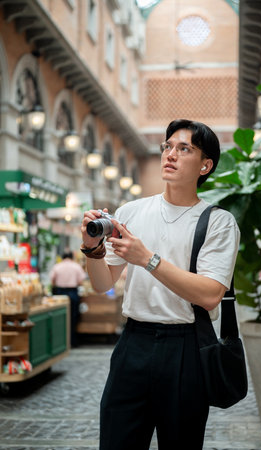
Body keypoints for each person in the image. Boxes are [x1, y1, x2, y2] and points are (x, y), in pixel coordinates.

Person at [80, 119, 240, 450]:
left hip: (186, 349)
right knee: (116, 441)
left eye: (185, 149)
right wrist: (92, 248)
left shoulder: (218, 222)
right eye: (167, 146)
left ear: (205, 165)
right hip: (132, 344)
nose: (170, 154)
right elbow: (102, 284)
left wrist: (147, 259)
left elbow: (210, 295)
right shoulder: (131, 212)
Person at [50, 249, 86, 347]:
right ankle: (72, 341)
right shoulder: (76, 266)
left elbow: (52, 280)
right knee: (73, 317)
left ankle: (60, 342)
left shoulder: (57, 266)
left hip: (60, 293)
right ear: (72, 257)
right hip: (72, 292)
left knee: (59, 317)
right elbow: (81, 281)